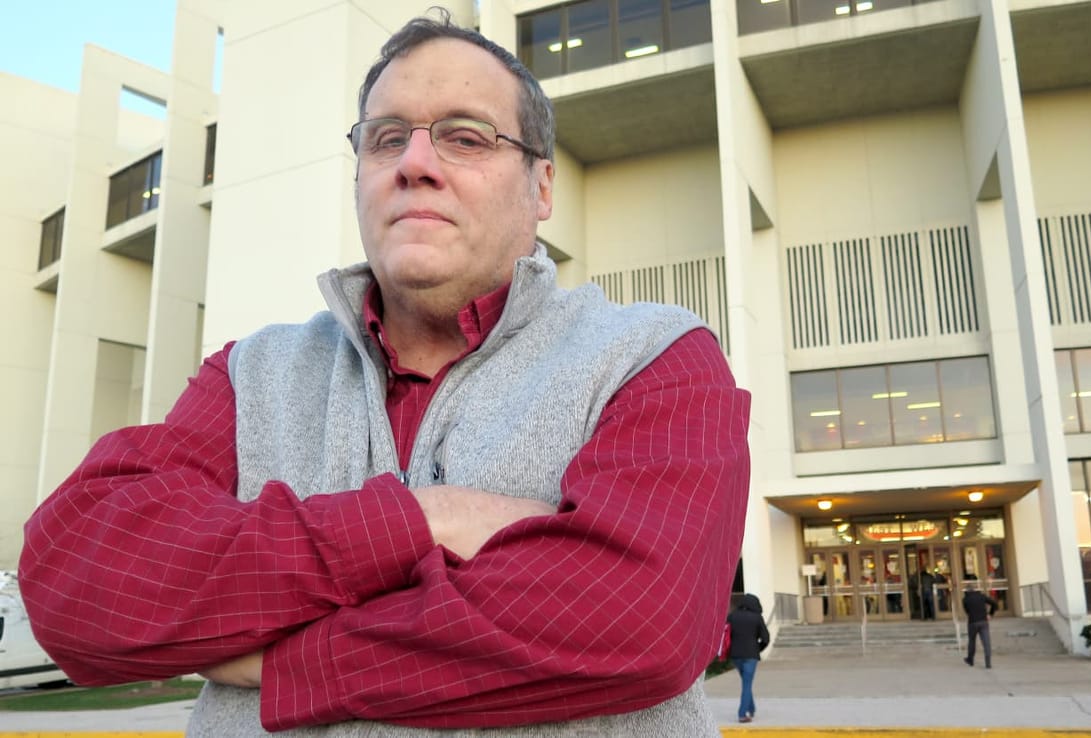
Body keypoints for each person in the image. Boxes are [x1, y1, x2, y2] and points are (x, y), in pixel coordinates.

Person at [18, 10, 751, 737]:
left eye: (466, 137)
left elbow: (640, 618)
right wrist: (425, 519)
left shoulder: (654, 357)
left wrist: (288, 664)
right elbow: (79, 586)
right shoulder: (252, 375)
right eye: (386, 138)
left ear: (543, 188)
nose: (414, 163)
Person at [726, 593, 769, 724]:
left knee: (746, 682)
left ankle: (751, 708)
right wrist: (758, 649)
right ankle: (742, 714)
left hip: (736, 656)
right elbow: (766, 638)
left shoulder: (732, 616)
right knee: (747, 683)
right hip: (751, 656)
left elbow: (727, 635)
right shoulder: (757, 618)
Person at [962, 580, 998, 669]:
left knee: (972, 641)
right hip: (983, 621)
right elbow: (994, 603)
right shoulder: (981, 596)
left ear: (966, 591)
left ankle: (970, 659)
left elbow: (967, 611)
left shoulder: (965, 599)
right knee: (986, 642)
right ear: (974, 589)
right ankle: (988, 662)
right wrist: (990, 614)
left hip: (972, 622)